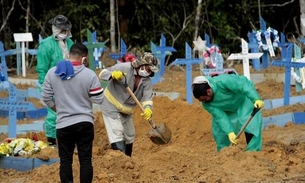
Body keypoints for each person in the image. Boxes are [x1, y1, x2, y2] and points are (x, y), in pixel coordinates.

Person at [41, 43, 104, 183]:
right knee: (86, 160)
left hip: (63, 124)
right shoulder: (89, 74)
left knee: (65, 161)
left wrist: (58, 109)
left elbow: (45, 97)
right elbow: (99, 99)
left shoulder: (53, 72)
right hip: (85, 123)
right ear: (84, 58)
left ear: (69, 55)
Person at [98, 52, 158, 157]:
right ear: (141, 64)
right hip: (110, 104)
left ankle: (127, 160)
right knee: (117, 132)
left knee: (130, 134)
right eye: (148, 69)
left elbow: (147, 98)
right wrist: (112, 75)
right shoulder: (124, 67)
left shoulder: (147, 81)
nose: (148, 72)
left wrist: (148, 109)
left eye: (150, 71)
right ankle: (119, 161)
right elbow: (102, 73)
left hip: (125, 110)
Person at [192, 74, 264, 152]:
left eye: (204, 99)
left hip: (243, 101)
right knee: (220, 132)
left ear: (208, 92)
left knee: (251, 125)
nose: (204, 102)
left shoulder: (223, 81)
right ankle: (223, 154)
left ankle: (252, 152)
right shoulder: (206, 104)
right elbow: (220, 117)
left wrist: (255, 98)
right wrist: (229, 132)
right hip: (226, 110)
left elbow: (243, 84)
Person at [36, 14, 74, 146]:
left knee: (69, 110)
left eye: (66, 30)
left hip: (69, 82)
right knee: (53, 111)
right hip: (52, 83)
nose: (65, 33)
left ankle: (67, 138)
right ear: (56, 30)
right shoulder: (46, 45)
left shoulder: (70, 43)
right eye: (62, 30)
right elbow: (42, 67)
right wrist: (44, 85)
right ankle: (51, 140)